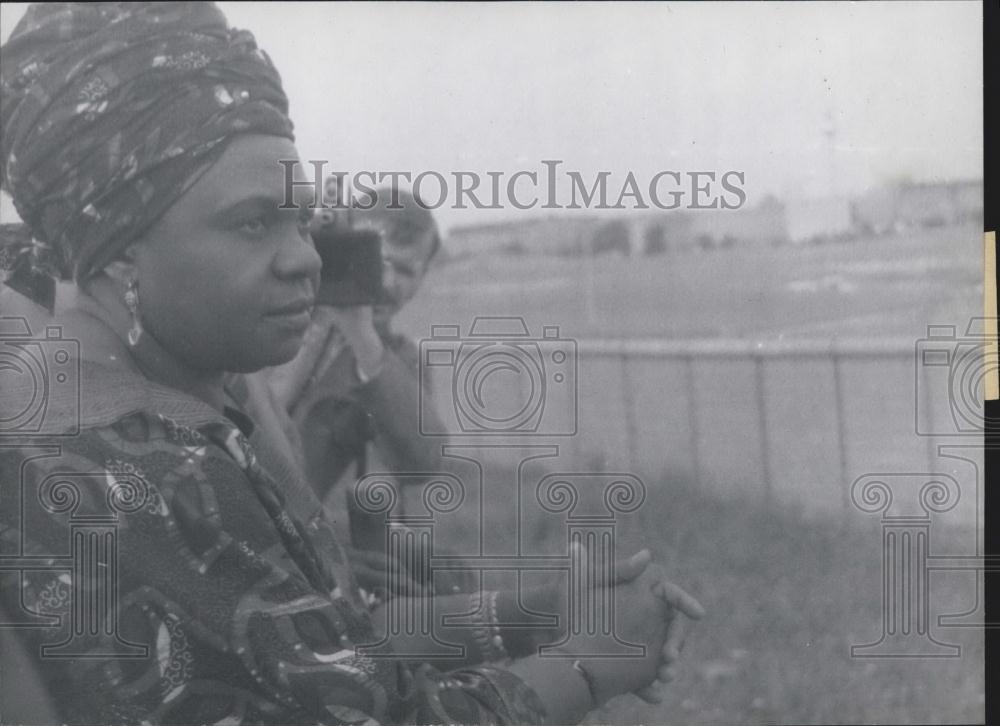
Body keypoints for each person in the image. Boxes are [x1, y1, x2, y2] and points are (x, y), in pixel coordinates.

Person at [0, 4, 703, 724]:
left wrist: (536, 613)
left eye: (302, 220)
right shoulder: (141, 465)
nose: (305, 258)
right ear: (116, 249)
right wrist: (589, 665)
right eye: (252, 224)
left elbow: (308, 647)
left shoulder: (107, 405)